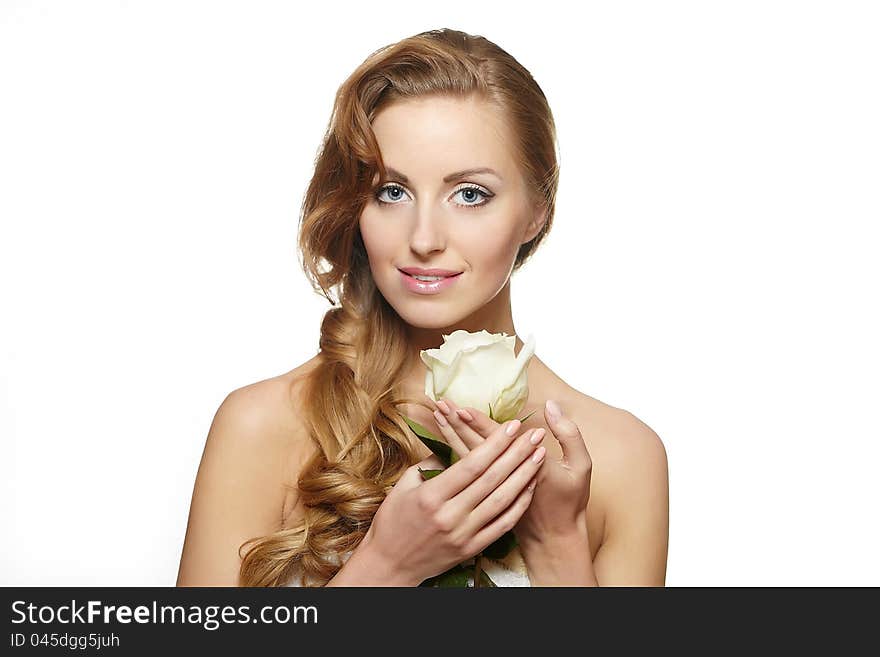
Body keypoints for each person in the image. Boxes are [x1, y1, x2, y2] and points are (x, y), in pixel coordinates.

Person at [176, 27, 669, 588]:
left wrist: (554, 541)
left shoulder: (623, 458)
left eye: (469, 194)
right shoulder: (264, 425)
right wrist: (386, 566)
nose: (424, 237)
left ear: (537, 211)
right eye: (391, 191)